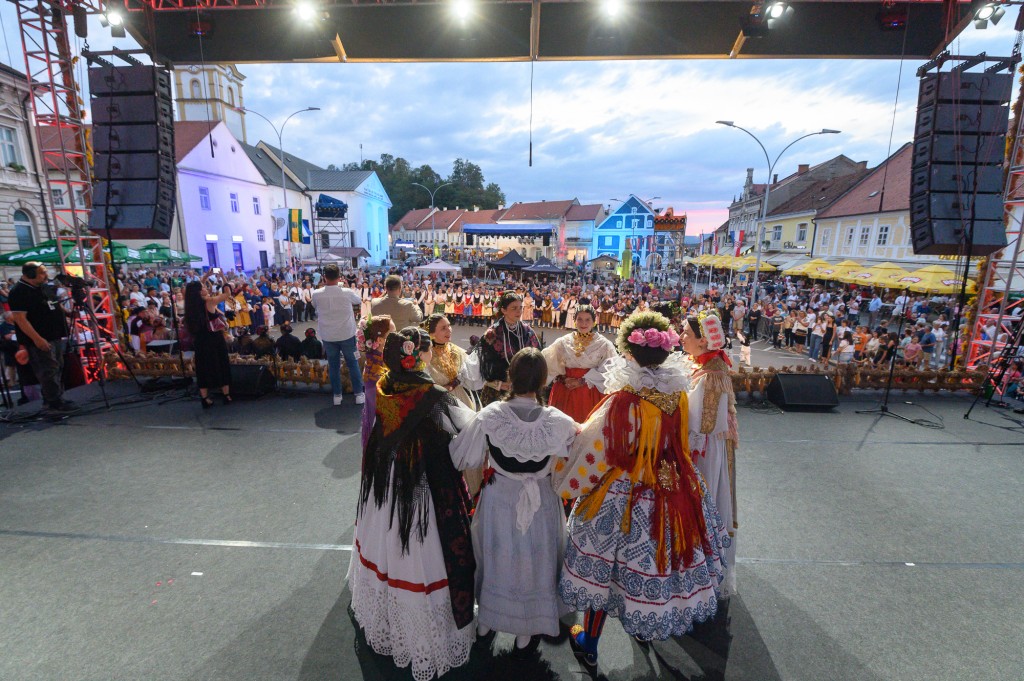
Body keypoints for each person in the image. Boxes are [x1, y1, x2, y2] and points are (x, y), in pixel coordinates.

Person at [556, 311, 729, 667]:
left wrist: (568, 478)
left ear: (628, 353)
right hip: (674, 485)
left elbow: (597, 448)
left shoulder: (624, 400)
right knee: (656, 559)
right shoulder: (678, 392)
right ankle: (644, 621)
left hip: (625, 490)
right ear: (666, 354)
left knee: (604, 567)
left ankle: (590, 641)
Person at [347, 327, 476, 681]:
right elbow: (470, 429)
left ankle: (388, 617)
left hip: (387, 479)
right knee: (421, 549)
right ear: (417, 355)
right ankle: (426, 633)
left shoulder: (387, 383)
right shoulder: (431, 395)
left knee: (387, 540)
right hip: (422, 485)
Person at [450, 348, 579, 654]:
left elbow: (462, 456)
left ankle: (488, 621)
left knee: (496, 554)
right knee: (537, 559)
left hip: (500, 497)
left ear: (510, 376)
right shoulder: (559, 421)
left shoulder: (490, 416)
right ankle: (528, 626)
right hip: (542, 500)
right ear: (544, 381)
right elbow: (576, 456)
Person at [681, 309, 739, 597]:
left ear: (703, 341)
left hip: (704, 450)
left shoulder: (712, 374)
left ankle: (702, 571)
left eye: (687, 334)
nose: (682, 338)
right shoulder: (707, 365)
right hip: (707, 444)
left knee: (705, 502)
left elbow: (700, 425)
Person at [7, 262, 76, 413]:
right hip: (40, 338)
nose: (46, 276)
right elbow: (20, 319)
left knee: (57, 366)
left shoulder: (43, 287)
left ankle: (56, 397)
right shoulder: (18, 292)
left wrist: (68, 312)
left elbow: (54, 304)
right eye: (42, 273)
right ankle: (53, 402)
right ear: (30, 274)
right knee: (47, 369)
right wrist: (37, 339)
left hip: (55, 334)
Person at [542, 304, 617, 422]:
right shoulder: (563, 341)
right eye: (580, 319)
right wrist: (562, 378)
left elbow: (610, 370)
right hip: (565, 389)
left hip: (589, 393)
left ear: (594, 321)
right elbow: (549, 362)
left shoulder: (604, 344)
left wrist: (582, 381)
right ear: (574, 321)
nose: (583, 323)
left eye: (588, 320)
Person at [311, 264, 364, 407]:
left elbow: (315, 306)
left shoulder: (316, 294)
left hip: (328, 336)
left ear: (324, 277)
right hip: (346, 334)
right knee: (353, 364)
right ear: (339, 277)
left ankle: (337, 396)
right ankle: (359, 394)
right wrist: (346, 286)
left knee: (333, 366)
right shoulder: (346, 292)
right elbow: (359, 300)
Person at [477, 291, 541, 406]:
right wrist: (499, 384)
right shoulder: (493, 333)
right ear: (503, 310)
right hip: (497, 392)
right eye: (514, 308)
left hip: (523, 389)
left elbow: (538, 357)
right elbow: (482, 365)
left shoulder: (528, 331)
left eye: (520, 308)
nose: (519, 311)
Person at [183, 274, 234, 408]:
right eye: (203, 287)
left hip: (200, 340)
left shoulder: (190, 306)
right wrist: (223, 276)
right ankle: (226, 395)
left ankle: (205, 398)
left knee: (203, 368)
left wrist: (206, 276)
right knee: (221, 364)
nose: (205, 287)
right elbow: (227, 293)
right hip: (214, 339)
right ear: (200, 291)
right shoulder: (209, 302)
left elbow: (196, 287)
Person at [356, 314, 395, 449]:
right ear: (380, 340)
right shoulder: (376, 372)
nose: (398, 338)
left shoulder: (377, 359)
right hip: (381, 428)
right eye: (393, 335)